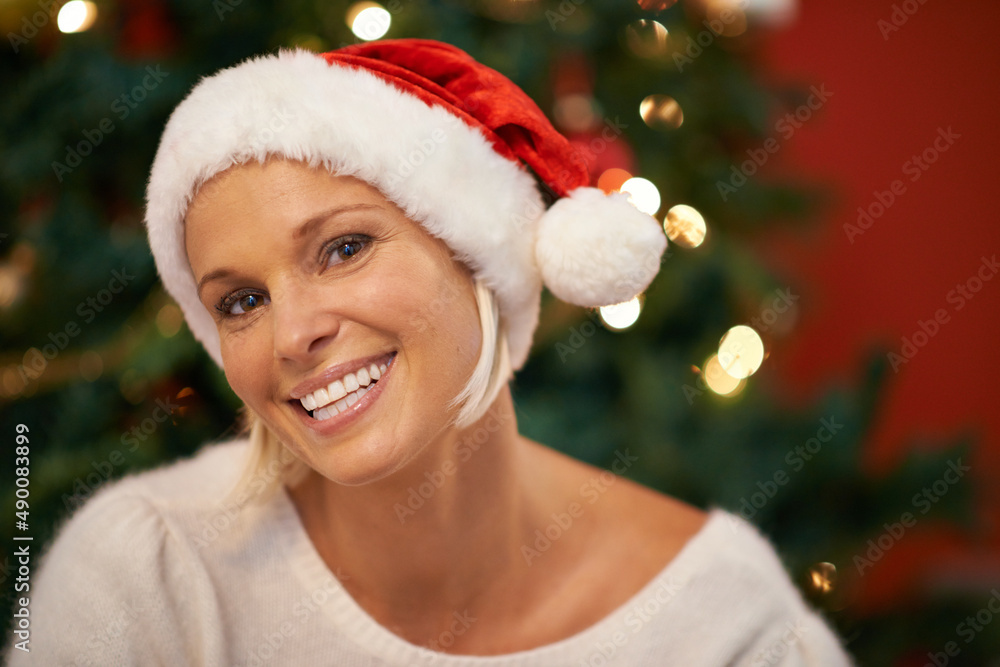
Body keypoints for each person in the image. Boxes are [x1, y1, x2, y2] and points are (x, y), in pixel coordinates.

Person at [6, 39, 854, 665]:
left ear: (473, 250)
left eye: (342, 248)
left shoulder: (722, 619)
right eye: (242, 301)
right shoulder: (144, 574)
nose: (292, 334)